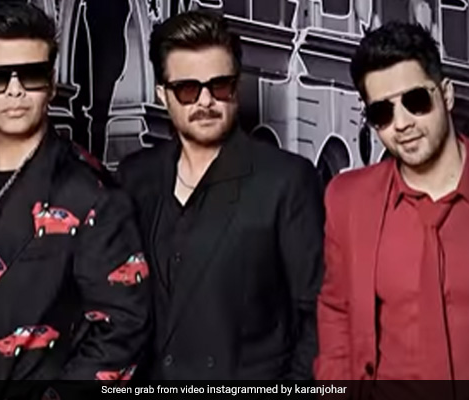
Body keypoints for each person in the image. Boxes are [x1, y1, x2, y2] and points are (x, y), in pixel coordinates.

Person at [0, 2, 149, 397]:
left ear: (50, 84)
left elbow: (124, 330)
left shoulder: (92, 193)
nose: (14, 90)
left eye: (30, 75)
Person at [315, 21, 469, 399]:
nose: (402, 123)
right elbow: (336, 314)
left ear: (447, 94)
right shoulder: (348, 200)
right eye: (382, 112)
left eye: (416, 100)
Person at [117, 11, 324, 380]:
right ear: (163, 95)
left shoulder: (286, 180)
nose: (206, 101)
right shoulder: (135, 177)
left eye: (220, 86)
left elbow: (318, 317)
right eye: (187, 89)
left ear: (237, 87)